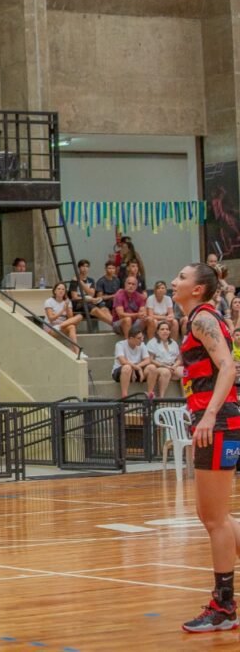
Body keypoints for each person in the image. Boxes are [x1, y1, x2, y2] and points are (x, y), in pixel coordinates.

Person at [172, 263, 240, 633]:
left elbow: (228, 367)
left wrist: (210, 415)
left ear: (198, 289)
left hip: (220, 421)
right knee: (214, 516)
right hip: (218, 420)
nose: (175, 281)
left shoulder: (202, 319)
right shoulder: (198, 319)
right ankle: (225, 604)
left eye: (183, 277)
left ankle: (224, 606)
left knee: (214, 518)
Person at [68, 259, 114, 327]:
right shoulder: (74, 281)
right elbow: (74, 297)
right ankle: (114, 325)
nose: (85, 268)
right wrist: (87, 299)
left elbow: (91, 294)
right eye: (83, 266)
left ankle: (115, 324)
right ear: (79, 268)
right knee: (96, 310)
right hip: (80, 303)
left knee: (105, 309)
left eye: (87, 266)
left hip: (90, 300)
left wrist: (80, 282)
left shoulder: (91, 280)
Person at [112, 326, 154, 399]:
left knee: (152, 368)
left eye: (142, 337)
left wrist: (137, 367)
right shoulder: (120, 344)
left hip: (135, 372)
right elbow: (123, 361)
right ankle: (124, 396)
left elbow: (148, 360)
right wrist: (138, 368)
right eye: (139, 338)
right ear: (131, 338)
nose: (141, 340)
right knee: (127, 367)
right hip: (121, 372)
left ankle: (150, 395)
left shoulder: (142, 344)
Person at [146, 320, 182, 398]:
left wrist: (175, 366)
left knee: (186, 372)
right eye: (162, 329)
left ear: (169, 332)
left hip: (172, 366)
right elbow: (151, 360)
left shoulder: (173, 342)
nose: (165, 331)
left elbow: (179, 359)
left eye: (167, 329)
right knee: (166, 372)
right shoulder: (152, 343)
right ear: (157, 331)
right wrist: (165, 366)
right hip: (159, 367)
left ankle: (186, 398)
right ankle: (161, 398)